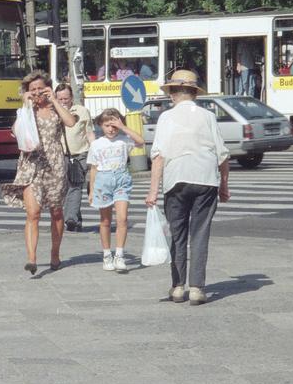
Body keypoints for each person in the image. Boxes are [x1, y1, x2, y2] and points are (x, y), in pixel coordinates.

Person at [145, 69, 230, 305]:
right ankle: (197, 288)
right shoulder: (208, 116)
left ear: (172, 92)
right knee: (200, 233)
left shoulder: (166, 118)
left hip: (176, 181)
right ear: (194, 93)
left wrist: (153, 190)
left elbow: (159, 156)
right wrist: (224, 185)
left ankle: (177, 286)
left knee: (177, 234)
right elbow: (223, 155)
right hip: (205, 180)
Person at [2, 70, 76, 274]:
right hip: (31, 165)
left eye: (40, 89)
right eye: (32, 89)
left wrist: (54, 99)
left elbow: (70, 122)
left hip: (55, 166)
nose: (36, 93)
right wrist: (25, 105)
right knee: (33, 213)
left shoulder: (55, 109)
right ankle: (32, 258)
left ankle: (55, 253)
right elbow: (16, 131)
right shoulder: (26, 111)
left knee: (56, 212)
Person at [87, 108, 145, 273]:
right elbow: (93, 168)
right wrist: (91, 190)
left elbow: (140, 141)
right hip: (103, 181)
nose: (111, 129)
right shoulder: (97, 144)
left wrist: (124, 126)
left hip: (121, 180)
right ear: (101, 125)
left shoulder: (124, 140)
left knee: (122, 218)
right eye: (107, 126)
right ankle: (107, 255)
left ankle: (119, 254)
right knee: (105, 221)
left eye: (114, 126)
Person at [55, 82, 95, 232]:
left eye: (66, 98)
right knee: (66, 188)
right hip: (62, 156)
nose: (63, 102)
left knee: (75, 185)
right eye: (60, 99)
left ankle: (70, 217)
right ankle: (76, 221)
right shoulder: (54, 112)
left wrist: (95, 150)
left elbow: (89, 132)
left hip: (80, 155)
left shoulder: (82, 111)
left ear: (71, 97)